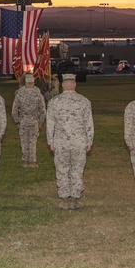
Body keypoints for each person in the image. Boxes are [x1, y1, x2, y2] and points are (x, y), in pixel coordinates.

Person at [45, 73, 94, 210]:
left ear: (62, 84)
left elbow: (50, 124)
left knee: (62, 169)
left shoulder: (54, 102)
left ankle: (65, 200)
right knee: (77, 170)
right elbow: (89, 124)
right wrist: (89, 141)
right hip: (79, 142)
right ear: (75, 84)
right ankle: (74, 199)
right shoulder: (84, 101)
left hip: (61, 142)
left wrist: (50, 141)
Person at [11, 73, 46, 167]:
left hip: (23, 121)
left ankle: (25, 161)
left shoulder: (20, 93)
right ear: (33, 83)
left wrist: (17, 121)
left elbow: (14, 110)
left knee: (24, 141)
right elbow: (43, 110)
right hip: (34, 121)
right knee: (32, 141)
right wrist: (41, 121)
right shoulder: (38, 94)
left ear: (25, 83)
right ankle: (32, 161)